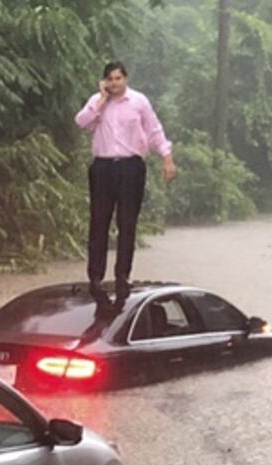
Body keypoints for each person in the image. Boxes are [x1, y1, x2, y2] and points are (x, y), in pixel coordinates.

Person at [75, 61, 177, 303]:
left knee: (127, 222)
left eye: (118, 78)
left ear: (126, 79)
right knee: (99, 221)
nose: (114, 83)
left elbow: (154, 130)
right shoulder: (97, 101)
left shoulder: (139, 102)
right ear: (104, 81)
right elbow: (81, 122)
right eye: (110, 79)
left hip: (131, 166)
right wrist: (101, 100)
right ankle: (95, 276)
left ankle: (123, 275)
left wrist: (167, 158)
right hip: (103, 167)